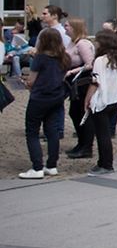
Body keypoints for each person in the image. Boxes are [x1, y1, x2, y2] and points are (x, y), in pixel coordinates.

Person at [19, 28, 70, 179]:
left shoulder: (40, 58)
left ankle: (37, 167)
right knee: (52, 131)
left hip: (39, 98)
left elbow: (31, 81)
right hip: (56, 97)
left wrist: (25, 83)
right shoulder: (65, 58)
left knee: (32, 132)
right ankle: (52, 165)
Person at [82, 29, 117, 176]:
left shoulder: (100, 61)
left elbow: (95, 82)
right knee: (105, 133)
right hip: (114, 99)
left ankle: (106, 164)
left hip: (102, 99)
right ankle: (103, 162)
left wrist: (87, 99)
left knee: (102, 134)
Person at [63, 17, 96, 154]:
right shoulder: (72, 42)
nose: (65, 28)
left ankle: (86, 146)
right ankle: (81, 142)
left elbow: (90, 64)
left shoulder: (83, 44)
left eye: (67, 26)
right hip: (73, 80)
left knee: (81, 112)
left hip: (82, 81)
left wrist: (71, 71)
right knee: (74, 112)